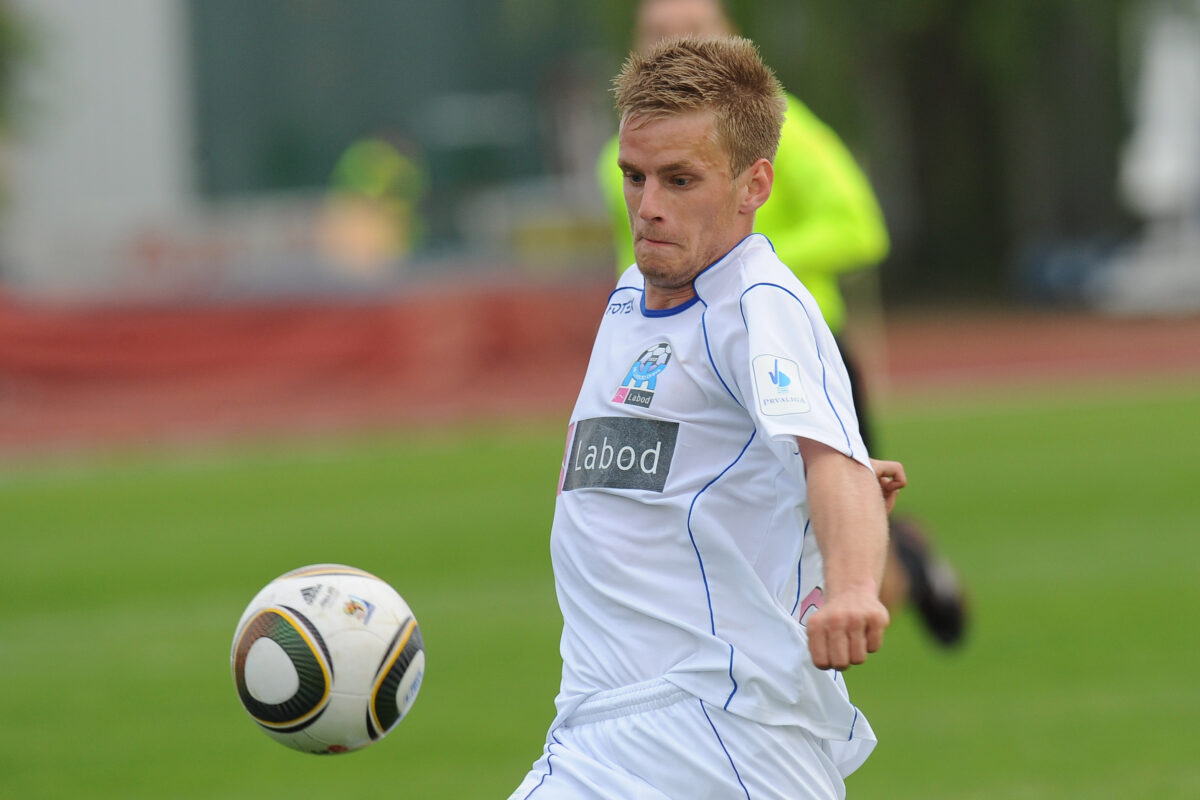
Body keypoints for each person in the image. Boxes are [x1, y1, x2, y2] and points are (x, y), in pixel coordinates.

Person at [510, 35, 891, 799]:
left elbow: (836, 461)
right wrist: (782, 492)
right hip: (603, 720)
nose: (648, 205)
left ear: (755, 184)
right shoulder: (633, 293)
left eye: (680, 180)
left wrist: (852, 588)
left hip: (713, 733)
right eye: (635, 176)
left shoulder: (757, 305)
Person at [597, 0, 966, 646]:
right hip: (686, 365)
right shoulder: (623, 155)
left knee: (843, 562)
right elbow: (636, 270)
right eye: (656, 33)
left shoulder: (781, 132)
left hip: (795, 358)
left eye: (691, 30)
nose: (673, 44)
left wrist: (740, 273)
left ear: (731, 38)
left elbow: (860, 227)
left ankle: (906, 562)